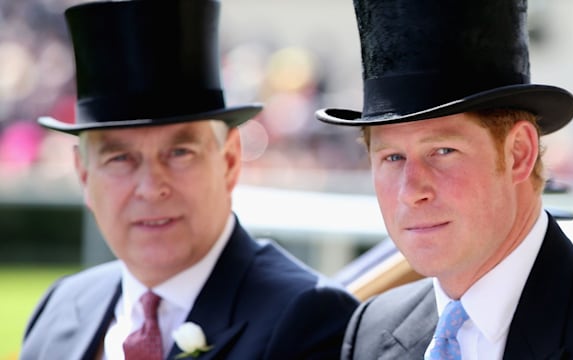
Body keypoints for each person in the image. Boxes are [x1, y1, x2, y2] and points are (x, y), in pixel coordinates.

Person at [20, 0, 358, 359]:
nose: (151, 188)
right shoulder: (61, 309)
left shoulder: (308, 319)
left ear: (229, 160)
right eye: (120, 158)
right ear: (84, 175)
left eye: (179, 153)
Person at [316, 0, 573, 359]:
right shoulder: (372, 332)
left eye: (442, 151)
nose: (411, 192)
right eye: (392, 157)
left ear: (519, 152)